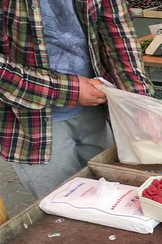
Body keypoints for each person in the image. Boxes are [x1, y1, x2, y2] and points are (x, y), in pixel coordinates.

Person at [0, 0, 153, 199]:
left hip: (94, 108)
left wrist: (139, 102)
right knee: (65, 208)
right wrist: (68, 90)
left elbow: (119, 35)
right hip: (32, 125)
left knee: (116, 196)